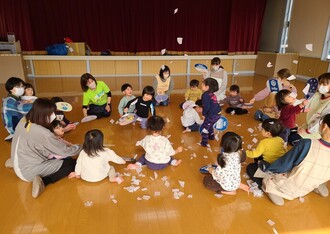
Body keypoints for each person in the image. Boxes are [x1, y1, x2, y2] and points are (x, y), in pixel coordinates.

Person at [11, 98, 82, 198]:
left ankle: (14, 160)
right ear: (43, 115)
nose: (53, 115)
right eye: (51, 113)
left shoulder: (23, 121)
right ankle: (44, 182)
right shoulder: (44, 133)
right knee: (72, 163)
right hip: (28, 172)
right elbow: (66, 151)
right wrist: (84, 146)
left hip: (20, 162)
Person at [261, 113, 330, 206]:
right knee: (317, 168)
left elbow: (283, 165)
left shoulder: (307, 144)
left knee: (254, 168)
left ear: (324, 126)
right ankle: (317, 185)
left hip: (291, 185)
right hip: (309, 185)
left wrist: (269, 168)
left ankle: (273, 190)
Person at [290, 72, 330, 145]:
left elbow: (321, 121)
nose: (321, 86)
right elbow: (305, 103)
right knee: (287, 132)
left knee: (291, 139)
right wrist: (290, 103)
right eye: (320, 83)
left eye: (324, 84)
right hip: (307, 125)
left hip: (317, 132)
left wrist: (307, 131)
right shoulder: (317, 95)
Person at [245, 118, 286, 187]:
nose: (261, 130)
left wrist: (245, 152)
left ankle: (261, 183)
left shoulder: (264, 142)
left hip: (270, 166)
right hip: (280, 165)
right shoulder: (280, 139)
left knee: (250, 167)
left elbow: (255, 154)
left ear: (268, 133)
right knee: (259, 157)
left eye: (262, 129)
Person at [200, 78, 221, 147]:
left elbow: (206, 106)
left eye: (203, 84)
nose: (201, 85)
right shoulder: (212, 94)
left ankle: (204, 143)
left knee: (205, 128)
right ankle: (211, 137)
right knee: (210, 125)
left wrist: (204, 114)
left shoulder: (205, 95)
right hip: (218, 114)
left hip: (212, 115)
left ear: (207, 87)